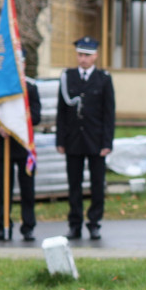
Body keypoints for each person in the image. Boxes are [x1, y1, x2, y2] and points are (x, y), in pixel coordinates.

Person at [57, 36, 116, 240]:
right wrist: (60, 140)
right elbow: (61, 111)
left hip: (96, 140)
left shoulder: (104, 79)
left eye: (87, 55)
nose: (83, 59)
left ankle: (94, 222)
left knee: (97, 184)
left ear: (95, 56)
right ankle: (75, 224)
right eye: (80, 55)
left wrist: (107, 142)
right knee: (74, 184)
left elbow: (109, 113)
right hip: (73, 140)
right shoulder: (68, 77)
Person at [0, 72, 41, 242]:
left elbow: (36, 117)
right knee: (4, 190)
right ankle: (3, 226)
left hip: (24, 146)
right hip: (4, 146)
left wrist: (19, 124)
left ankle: (28, 227)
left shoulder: (30, 88)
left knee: (27, 190)